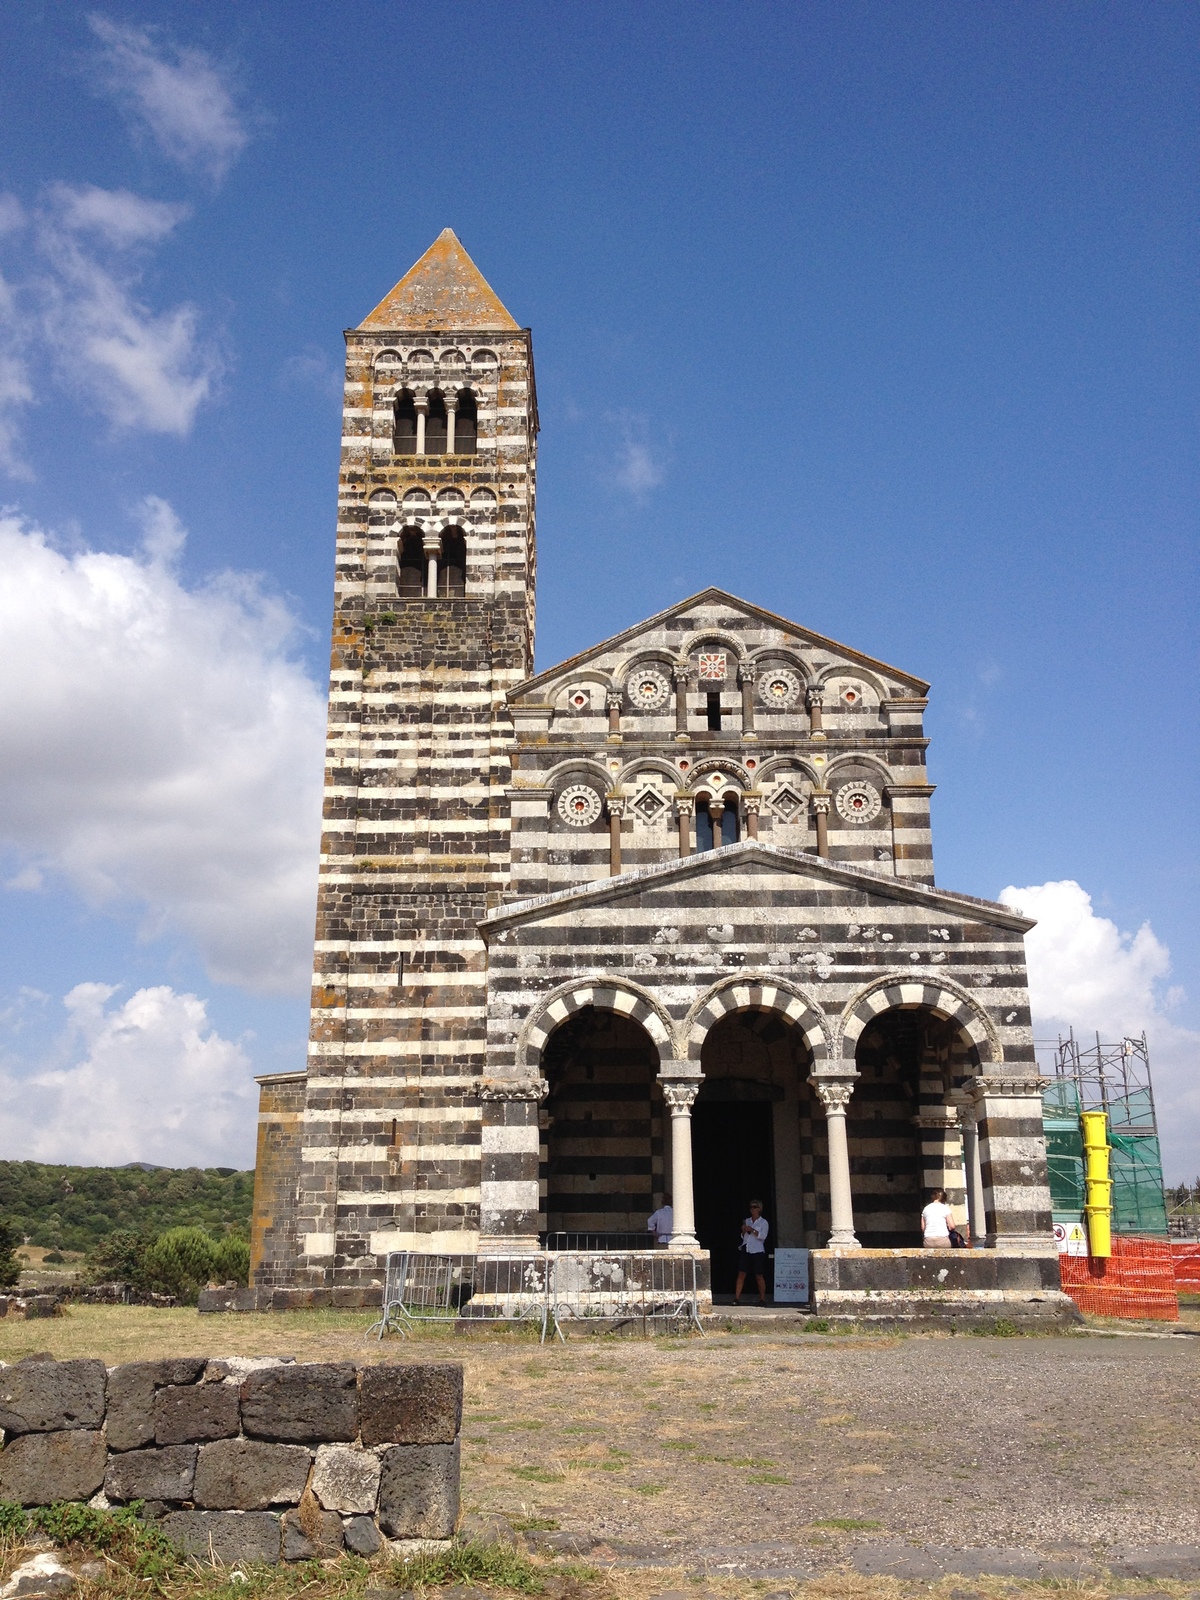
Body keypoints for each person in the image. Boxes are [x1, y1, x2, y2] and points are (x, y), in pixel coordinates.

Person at [734, 1199, 769, 1305]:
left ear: (759, 1209)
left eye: (755, 1207)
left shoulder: (763, 1222)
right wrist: (744, 1230)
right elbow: (743, 1237)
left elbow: (763, 1236)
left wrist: (752, 1230)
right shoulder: (747, 1220)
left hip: (757, 1251)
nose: (752, 1209)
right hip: (746, 1249)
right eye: (751, 1207)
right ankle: (737, 1298)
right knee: (741, 1274)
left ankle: (762, 1299)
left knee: (759, 1275)